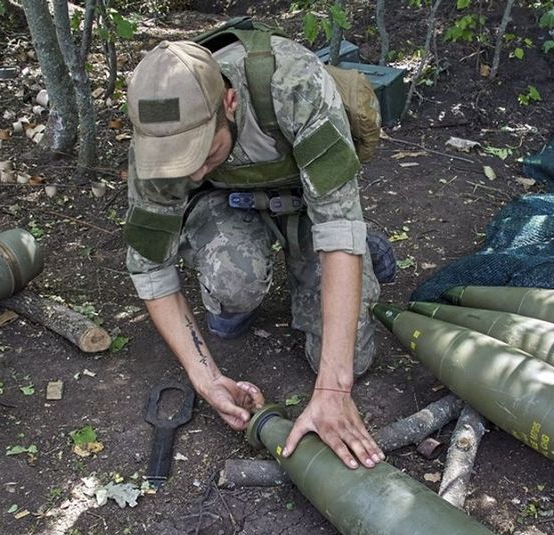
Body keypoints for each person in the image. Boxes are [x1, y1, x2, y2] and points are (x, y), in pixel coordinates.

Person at [123, 34, 387, 470]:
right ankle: (234, 298)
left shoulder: (292, 84)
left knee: (352, 361)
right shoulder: (157, 144)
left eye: (205, 154)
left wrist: (333, 392)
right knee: (235, 280)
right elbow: (150, 267)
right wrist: (206, 379)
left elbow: (337, 229)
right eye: (179, 165)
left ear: (229, 103)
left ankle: (361, 255)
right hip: (226, 207)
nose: (190, 173)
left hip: (308, 203)